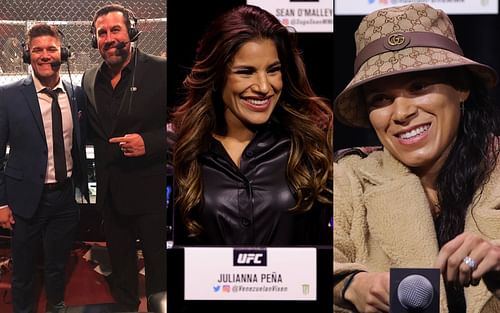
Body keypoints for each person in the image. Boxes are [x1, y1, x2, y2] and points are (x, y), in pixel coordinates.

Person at [333, 3, 500, 313]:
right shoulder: (346, 180)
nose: (401, 113)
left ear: (461, 88)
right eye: (380, 99)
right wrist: (349, 286)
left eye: (419, 86)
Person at [170, 4, 333, 247]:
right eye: (246, 72)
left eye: (273, 70)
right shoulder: (181, 148)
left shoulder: (312, 145)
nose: (264, 87)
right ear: (217, 76)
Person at [81, 3, 167, 311]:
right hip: (111, 193)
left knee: (158, 265)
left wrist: (151, 142)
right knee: (121, 267)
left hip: (149, 193)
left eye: (115, 29)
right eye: (101, 33)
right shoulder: (89, 79)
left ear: (130, 32)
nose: (108, 38)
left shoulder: (160, 69)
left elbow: (186, 127)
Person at [0, 23, 88, 313]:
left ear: (62, 53)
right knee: (23, 266)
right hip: (25, 198)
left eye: (51, 48)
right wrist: (1, 203)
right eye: (37, 50)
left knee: (57, 261)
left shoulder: (76, 94)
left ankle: (56, 304)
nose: (44, 55)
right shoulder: (8, 96)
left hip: (64, 197)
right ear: (28, 55)